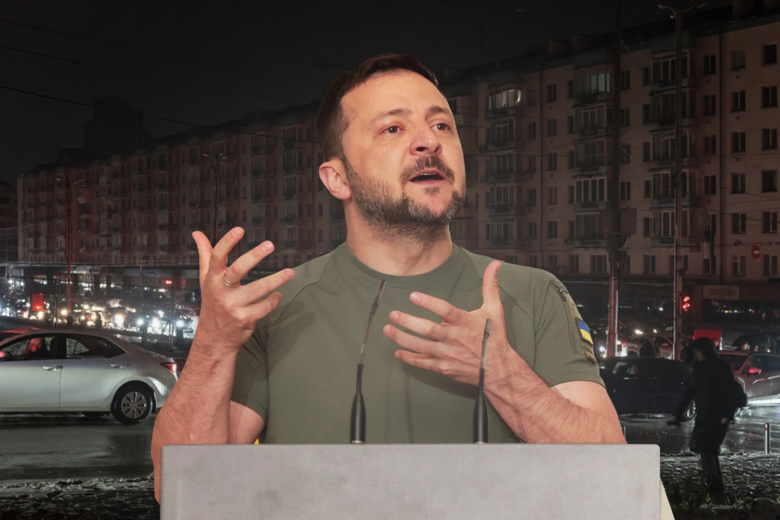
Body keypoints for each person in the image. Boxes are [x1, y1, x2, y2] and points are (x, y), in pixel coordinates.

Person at [150, 53, 625, 501]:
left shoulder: (533, 294)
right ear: (337, 179)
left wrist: (504, 375)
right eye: (393, 128)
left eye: (442, 125)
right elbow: (182, 488)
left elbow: (613, 477)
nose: (429, 142)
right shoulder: (273, 308)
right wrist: (212, 344)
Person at [668, 337, 735, 501]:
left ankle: (715, 487)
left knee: (707, 448)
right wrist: (677, 413)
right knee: (703, 448)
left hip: (717, 416)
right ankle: (713, 484)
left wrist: (727, 414)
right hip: (704, 416)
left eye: (697, 352)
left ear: (704, 351)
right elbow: (689, 393)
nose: (695, 355)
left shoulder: (718, 367)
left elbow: (729, 391)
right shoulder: (698, 369)